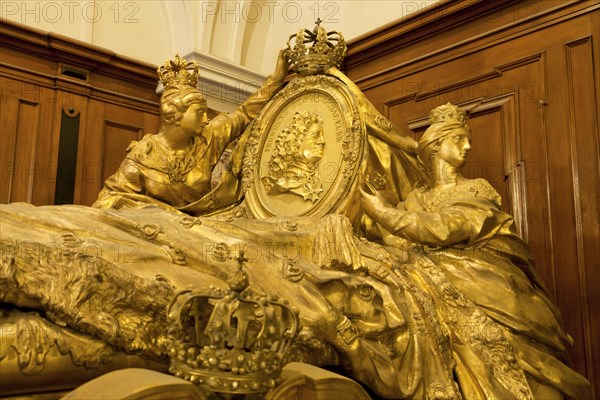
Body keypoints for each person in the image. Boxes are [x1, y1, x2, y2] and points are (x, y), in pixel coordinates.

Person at [361, 103, 592, 399]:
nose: (468, 146)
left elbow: (445, 227)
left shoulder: (477, 190)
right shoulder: (415, 200)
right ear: (434, 145)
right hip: (436, 301)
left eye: (467, 138)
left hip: (492, 295)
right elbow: (396, 243)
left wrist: (384, 214)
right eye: (457, 138)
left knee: (519, 367)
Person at [93, 50, 290, 215]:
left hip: (201, 225)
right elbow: (108, 200)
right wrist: (154, 212)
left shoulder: (210, 136)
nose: (206, 119)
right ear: (175, 115)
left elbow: (246, 113)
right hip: (159, 229)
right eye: (199, 113)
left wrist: (276, 79)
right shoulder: (144, 153)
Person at [261, 111, 326, 202]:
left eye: (322, 136)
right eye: (315, 135)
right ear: (296, 141)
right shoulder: (283, 184)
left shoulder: (316, 178)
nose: (322, 141)